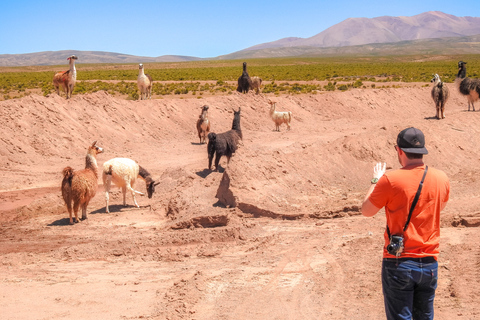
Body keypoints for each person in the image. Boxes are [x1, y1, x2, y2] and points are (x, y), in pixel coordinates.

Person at [362, 127, 450, 320]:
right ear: (422, 151)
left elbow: (366, 211)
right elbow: (437, 209)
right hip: (429, 263)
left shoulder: (390, 180)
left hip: (398, 263)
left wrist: (375, 180)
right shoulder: (441, 178)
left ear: (399, 150)